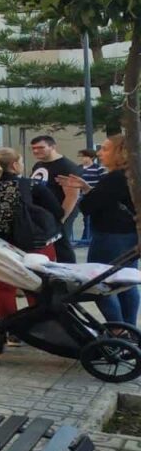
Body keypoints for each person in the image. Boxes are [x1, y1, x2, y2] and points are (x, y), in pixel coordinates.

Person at [0, 148, 63, 343]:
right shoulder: (31, 186)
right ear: (15, 165)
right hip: (34, 246)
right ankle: (38, 328)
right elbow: (56, 211)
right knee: (39, 287)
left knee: (1, 289)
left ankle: (13, 331)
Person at [57, 135, 138, 326]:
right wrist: (87, 188)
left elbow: (89, 207)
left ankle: (118, 329)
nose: (100, 153)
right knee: (126, 281)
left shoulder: (115, 178)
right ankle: (129, 328)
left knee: (98, 283)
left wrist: (77, 193)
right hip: (130, 235)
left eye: (106, 149)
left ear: (121, 152)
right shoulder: (132, 174)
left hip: (110, 236)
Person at [30, 136, 82, 263]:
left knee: (62, 245)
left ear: (53, 147)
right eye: (33, 148)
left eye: (41, 147)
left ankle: (69, 273)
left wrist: (62, 218)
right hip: (43, 214)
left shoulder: (66, 166)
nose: (36, 151)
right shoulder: (38, 165)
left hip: (60, 212)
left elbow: (72, 195)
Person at [76, 148, 107, 245]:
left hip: (93, 196)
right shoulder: (78, 168)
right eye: (82, 156)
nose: (82, 158)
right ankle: (85, 238)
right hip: (79, 196)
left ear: (92, 158)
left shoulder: (99, 168)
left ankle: (88, 238)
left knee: (89, 219)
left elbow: (103, 182)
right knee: (83, 219)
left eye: (85, 156)